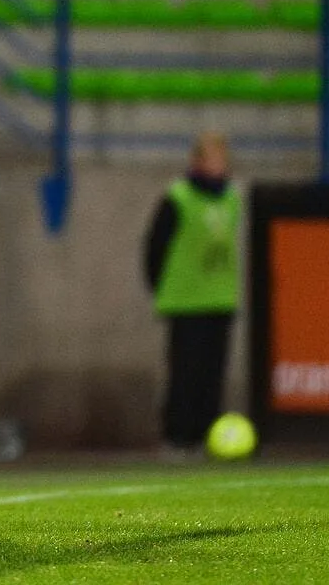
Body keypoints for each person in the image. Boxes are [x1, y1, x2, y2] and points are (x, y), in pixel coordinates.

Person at [142, 131, 242, 455]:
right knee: (185, 373)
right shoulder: (178, 197)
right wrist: (160, 287)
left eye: (222, 160)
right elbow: (154, 247)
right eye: (212, 159)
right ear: (197, 162)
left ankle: (208, 436)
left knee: (213, 374)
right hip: (185, 300)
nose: (218, 166)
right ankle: (177, 437)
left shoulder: (231, 198)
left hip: (220, 298)